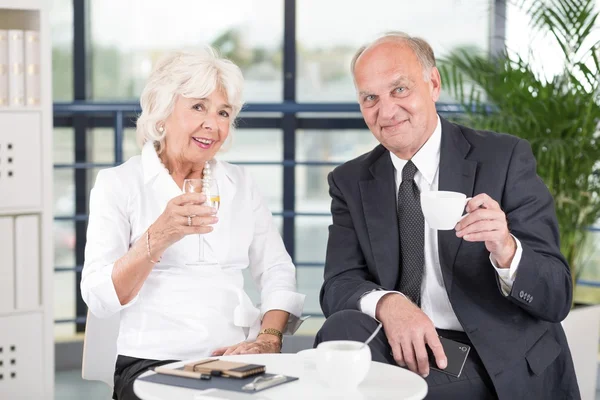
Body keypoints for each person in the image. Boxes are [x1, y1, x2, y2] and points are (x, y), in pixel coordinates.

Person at [314, 32, 579, 399]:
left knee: (376, 388)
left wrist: (506, 249)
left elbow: (557, 295)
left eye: (400, 90)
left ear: (433, 83)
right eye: (370, 98)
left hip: (488, 356)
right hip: (408, 344)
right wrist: (391, 305)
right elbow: (338, 284)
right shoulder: (350, 180)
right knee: (339, 333)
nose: (386, 111)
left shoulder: (503, 158)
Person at [81, 48, 305, 400]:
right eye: (198, 106)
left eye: (223, 112)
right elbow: (100, 296)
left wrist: (267, 340)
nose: (212, 125)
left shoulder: (241, 184)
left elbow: (277, 270)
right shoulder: (119, 184)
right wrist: (157, 237)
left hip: (236, 357)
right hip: (152, 361)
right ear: (163, 109)